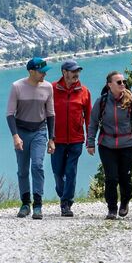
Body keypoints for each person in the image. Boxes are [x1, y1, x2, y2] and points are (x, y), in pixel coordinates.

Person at [86, 71, 132, 220]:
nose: (123, 84)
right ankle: (112, 208)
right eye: (119, 82)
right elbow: (93, 123)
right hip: (107, 145)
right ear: (109, 85)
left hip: (127, 145)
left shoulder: (130, 100)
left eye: (124, 81)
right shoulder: (102, 101)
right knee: (111, 178)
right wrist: (90, 142)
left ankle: (124, 202)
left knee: (125, 177)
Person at [6, 57, 56, 219]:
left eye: (45, 71)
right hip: (21, 132)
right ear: (31, 71)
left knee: (37, 165)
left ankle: (38, 205)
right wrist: (15, 136)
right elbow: (9, 114)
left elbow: (50, 114)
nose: (44, 75)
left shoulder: (48, 88)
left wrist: (51, 138)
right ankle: (25, 203)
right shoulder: (17, 87)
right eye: (41, 72)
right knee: (22, 169)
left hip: (39, 132)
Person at [52, 59, 92, 217]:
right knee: (57, 171)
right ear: (64, 72)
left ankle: (66, 203)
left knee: (71, 171)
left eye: (78, 71)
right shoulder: (52, 88)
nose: (76, 74)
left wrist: (90, 140)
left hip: (76, 139)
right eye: (73, 71)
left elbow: (89, 117)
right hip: (56, 139)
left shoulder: (84, 91)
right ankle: (63, 194)